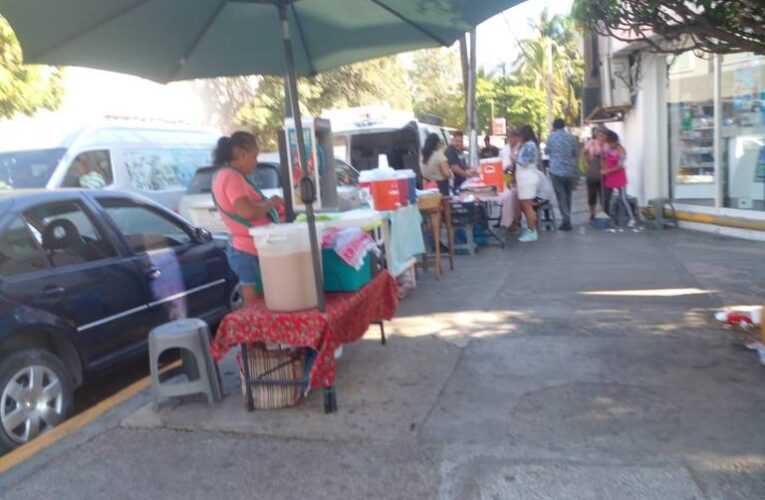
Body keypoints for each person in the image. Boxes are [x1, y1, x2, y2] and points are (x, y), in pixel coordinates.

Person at [211, 131, 285, 306]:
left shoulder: (224, 175)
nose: (256, 162)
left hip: (249, 247)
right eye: (254, 157)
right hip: (247, 250)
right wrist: (271, 203)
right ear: (240, 154)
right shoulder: (232, 176)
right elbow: (247, 212)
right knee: (253, 306)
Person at [546, 118, 579, 231]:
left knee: (561, 196)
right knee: (568, 195)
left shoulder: (551, 137)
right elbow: (575, 153)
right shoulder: (571, 137)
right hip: (569, 170)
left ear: (554, 126)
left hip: (556, 170)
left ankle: (566, 220)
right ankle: (567, 217)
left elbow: (547, 151)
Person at [601, 130, 636, 228]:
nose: (610, 145)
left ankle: (632, 218)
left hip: (619, 177)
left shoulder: (621, 151)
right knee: (607, 199)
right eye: (609, 143)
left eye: (612, 143)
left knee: (623, 198)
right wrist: (603, 167)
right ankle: (609, 219)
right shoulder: (606, 148)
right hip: (609, 177)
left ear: (616, 141)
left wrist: (607, 171)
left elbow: (620, 166)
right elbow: (604, 159)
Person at [515, 125, 541, 242]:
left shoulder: (529, 145)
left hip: (527, 178)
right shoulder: (527, 145)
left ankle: (532, 231)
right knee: (525, 205)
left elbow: (524, 162)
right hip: (524, 179)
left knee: (527, 206)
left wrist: (513, 158)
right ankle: (531, 228)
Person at [582, 127, 606, 223]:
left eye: (601, 134)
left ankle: (604, 214)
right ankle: (592, 215)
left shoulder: (605, 143)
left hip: (603, 171)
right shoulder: (590, 143)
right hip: (592, 170)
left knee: (603, 194)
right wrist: (586, 165)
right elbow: (584, 153)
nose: (600, 136)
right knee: (592, 195)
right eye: (598, 134)